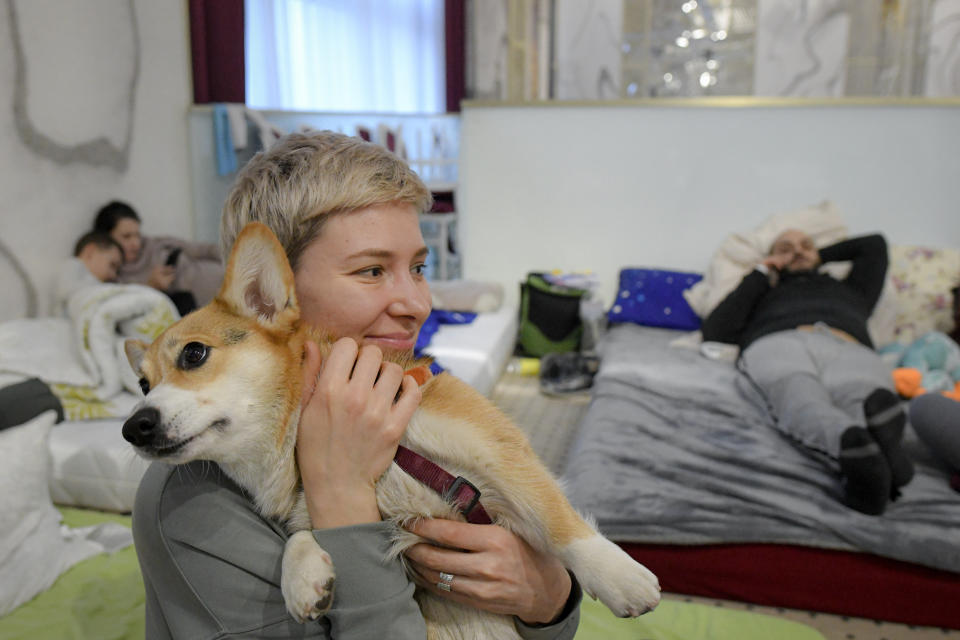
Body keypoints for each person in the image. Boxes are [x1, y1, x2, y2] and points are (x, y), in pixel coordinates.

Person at [132, 131, 581, 639]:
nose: (416, 304)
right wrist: (341, 498)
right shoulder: (195, 498)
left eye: (417, 268)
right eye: (372, 271)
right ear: (272, 292)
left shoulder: (405, 397)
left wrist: (550, 598)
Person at [701, 229, 914, 516]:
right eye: (786, 248)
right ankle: (867, 451)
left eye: (805, 246)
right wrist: (763, 272)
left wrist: (814, 256)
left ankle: (870, 456)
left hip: (849, 347)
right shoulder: (765, 291)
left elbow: (874, 245)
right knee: (800, 396)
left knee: (864, 397)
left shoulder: (852, 288)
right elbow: (716, 330)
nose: (798, 251)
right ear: (772, 258)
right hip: (780, 342)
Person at [93, 200, 224, 315]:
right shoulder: (116, 276)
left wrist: (236, 257)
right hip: (214, 307)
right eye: (127, 236)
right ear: (106, 239)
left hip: (226, 273)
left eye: (137, 235)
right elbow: (126, 305)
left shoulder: (154, 243)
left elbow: (204, 249)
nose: (136, 243)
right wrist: (151, 286)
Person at [53, 230, 123, 314]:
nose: (114, 275)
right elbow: (66, 291)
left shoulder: (98, 283)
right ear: (90, 251)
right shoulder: (73, 264)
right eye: (112, 265)